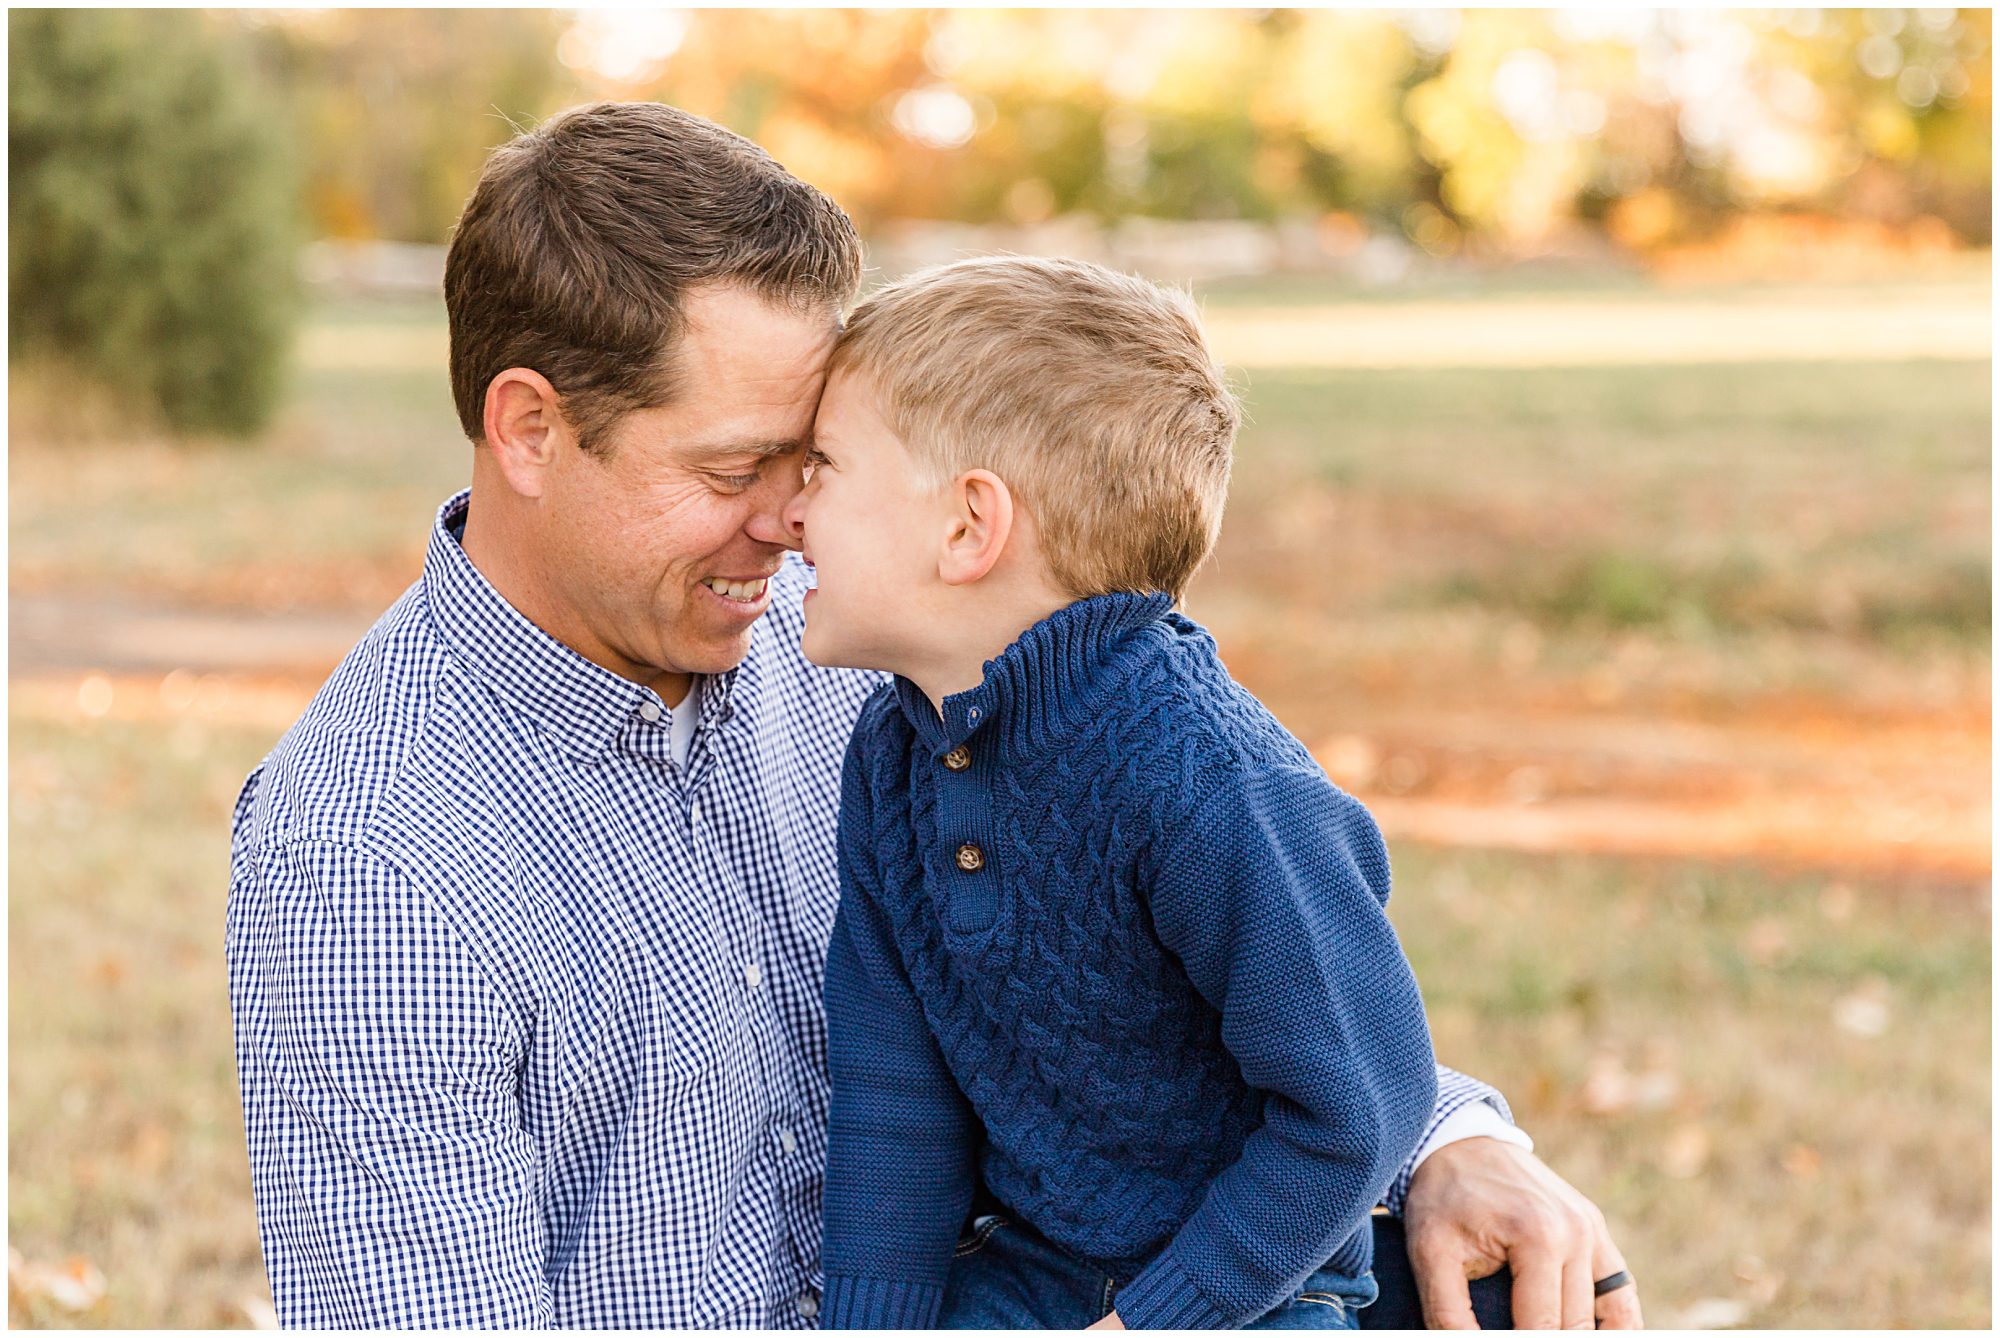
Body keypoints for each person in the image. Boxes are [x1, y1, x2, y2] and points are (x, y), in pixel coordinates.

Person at [224, 100, 1643, 1330]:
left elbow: (1164, 972)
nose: (789, 523)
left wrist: (1442, 1138)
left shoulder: (876, 649)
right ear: (529, 429)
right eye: (739, 466)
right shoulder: (370, 863)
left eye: (815, 460)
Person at [797, 254, 1436, 1331]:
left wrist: (1156, 1321)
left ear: (966, 527)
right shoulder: (894, 745)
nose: (786, 508)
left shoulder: (1206, 782)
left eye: (821, 466)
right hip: (1029, 1270)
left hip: (1244, 1287)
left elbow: (1354, 1110)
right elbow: (893, 1089)